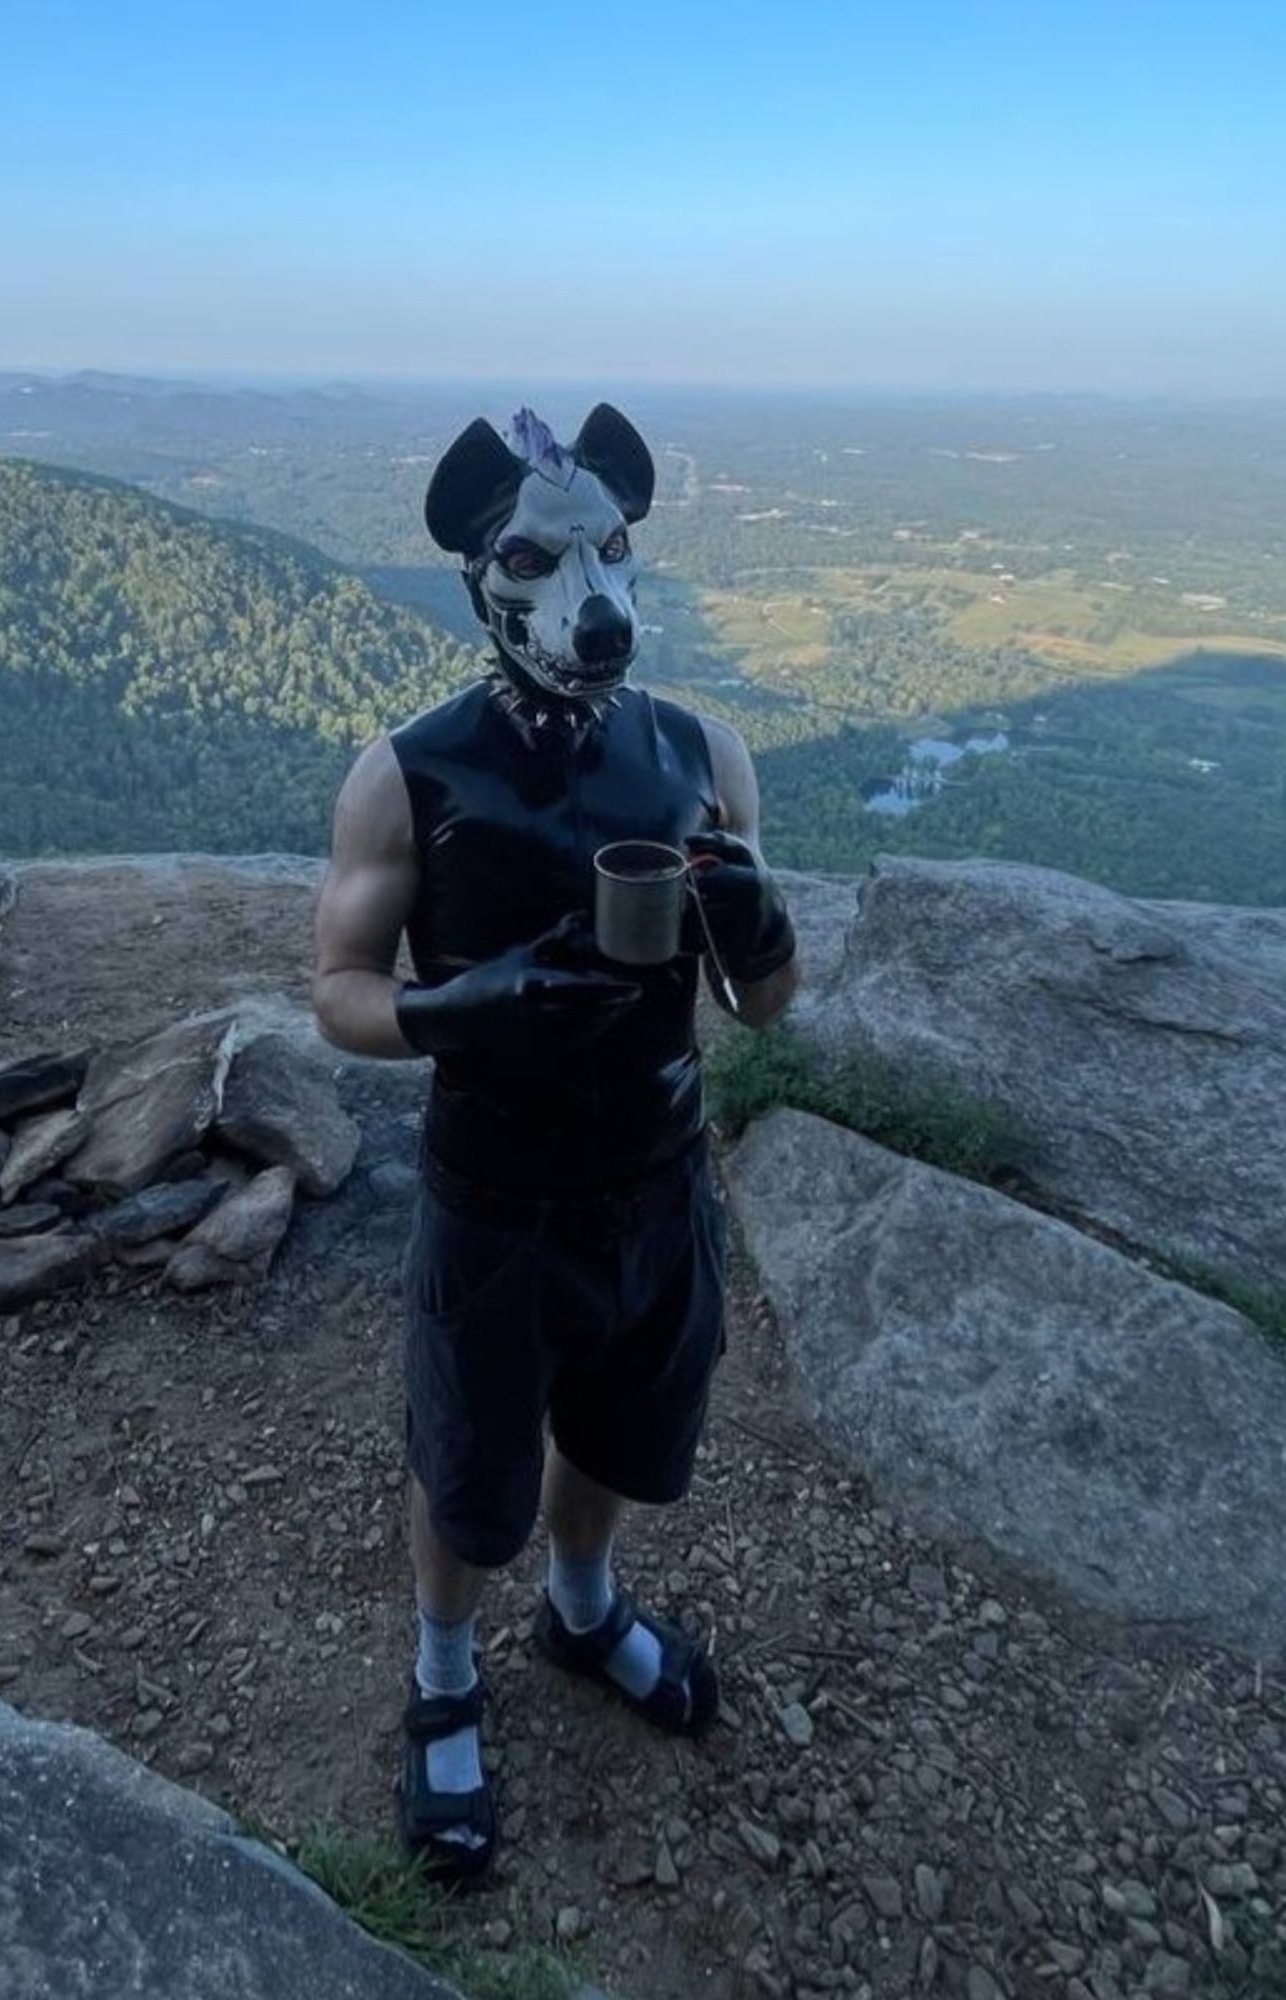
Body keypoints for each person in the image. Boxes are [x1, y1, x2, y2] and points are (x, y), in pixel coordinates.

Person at [313, 403, 798, 1883]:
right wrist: (465, 1008)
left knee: (622, 1427)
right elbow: (337, 995)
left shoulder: (700, 751)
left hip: (654, 1174)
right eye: (535, 554)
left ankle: (583, 1610)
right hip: (496, 1190)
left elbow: (762, 1009)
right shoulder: (409, 773)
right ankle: (445, 1663)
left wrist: (758, 928)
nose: (585, 591)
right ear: (479, 573)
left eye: (609, 551)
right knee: (469, 1458)